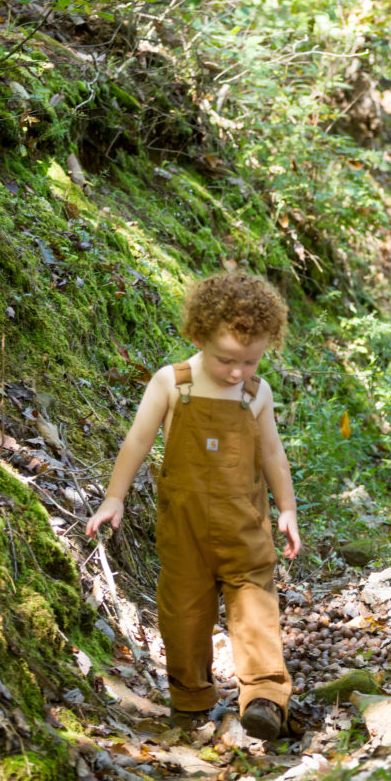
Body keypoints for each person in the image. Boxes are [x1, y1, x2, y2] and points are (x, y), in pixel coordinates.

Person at [86, 271, 300, 741]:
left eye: (251, 360)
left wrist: (287, 508)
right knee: (182, 615)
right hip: (183, 533)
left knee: (256, 609)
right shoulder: (172, 383)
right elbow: (138, 440)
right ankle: (189, 700)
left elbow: (272, 455)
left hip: (244, 529)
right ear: (199, 336)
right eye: (228, 360)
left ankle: (265, 699)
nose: (239, 371)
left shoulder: (255, 393)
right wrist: (114, 496)